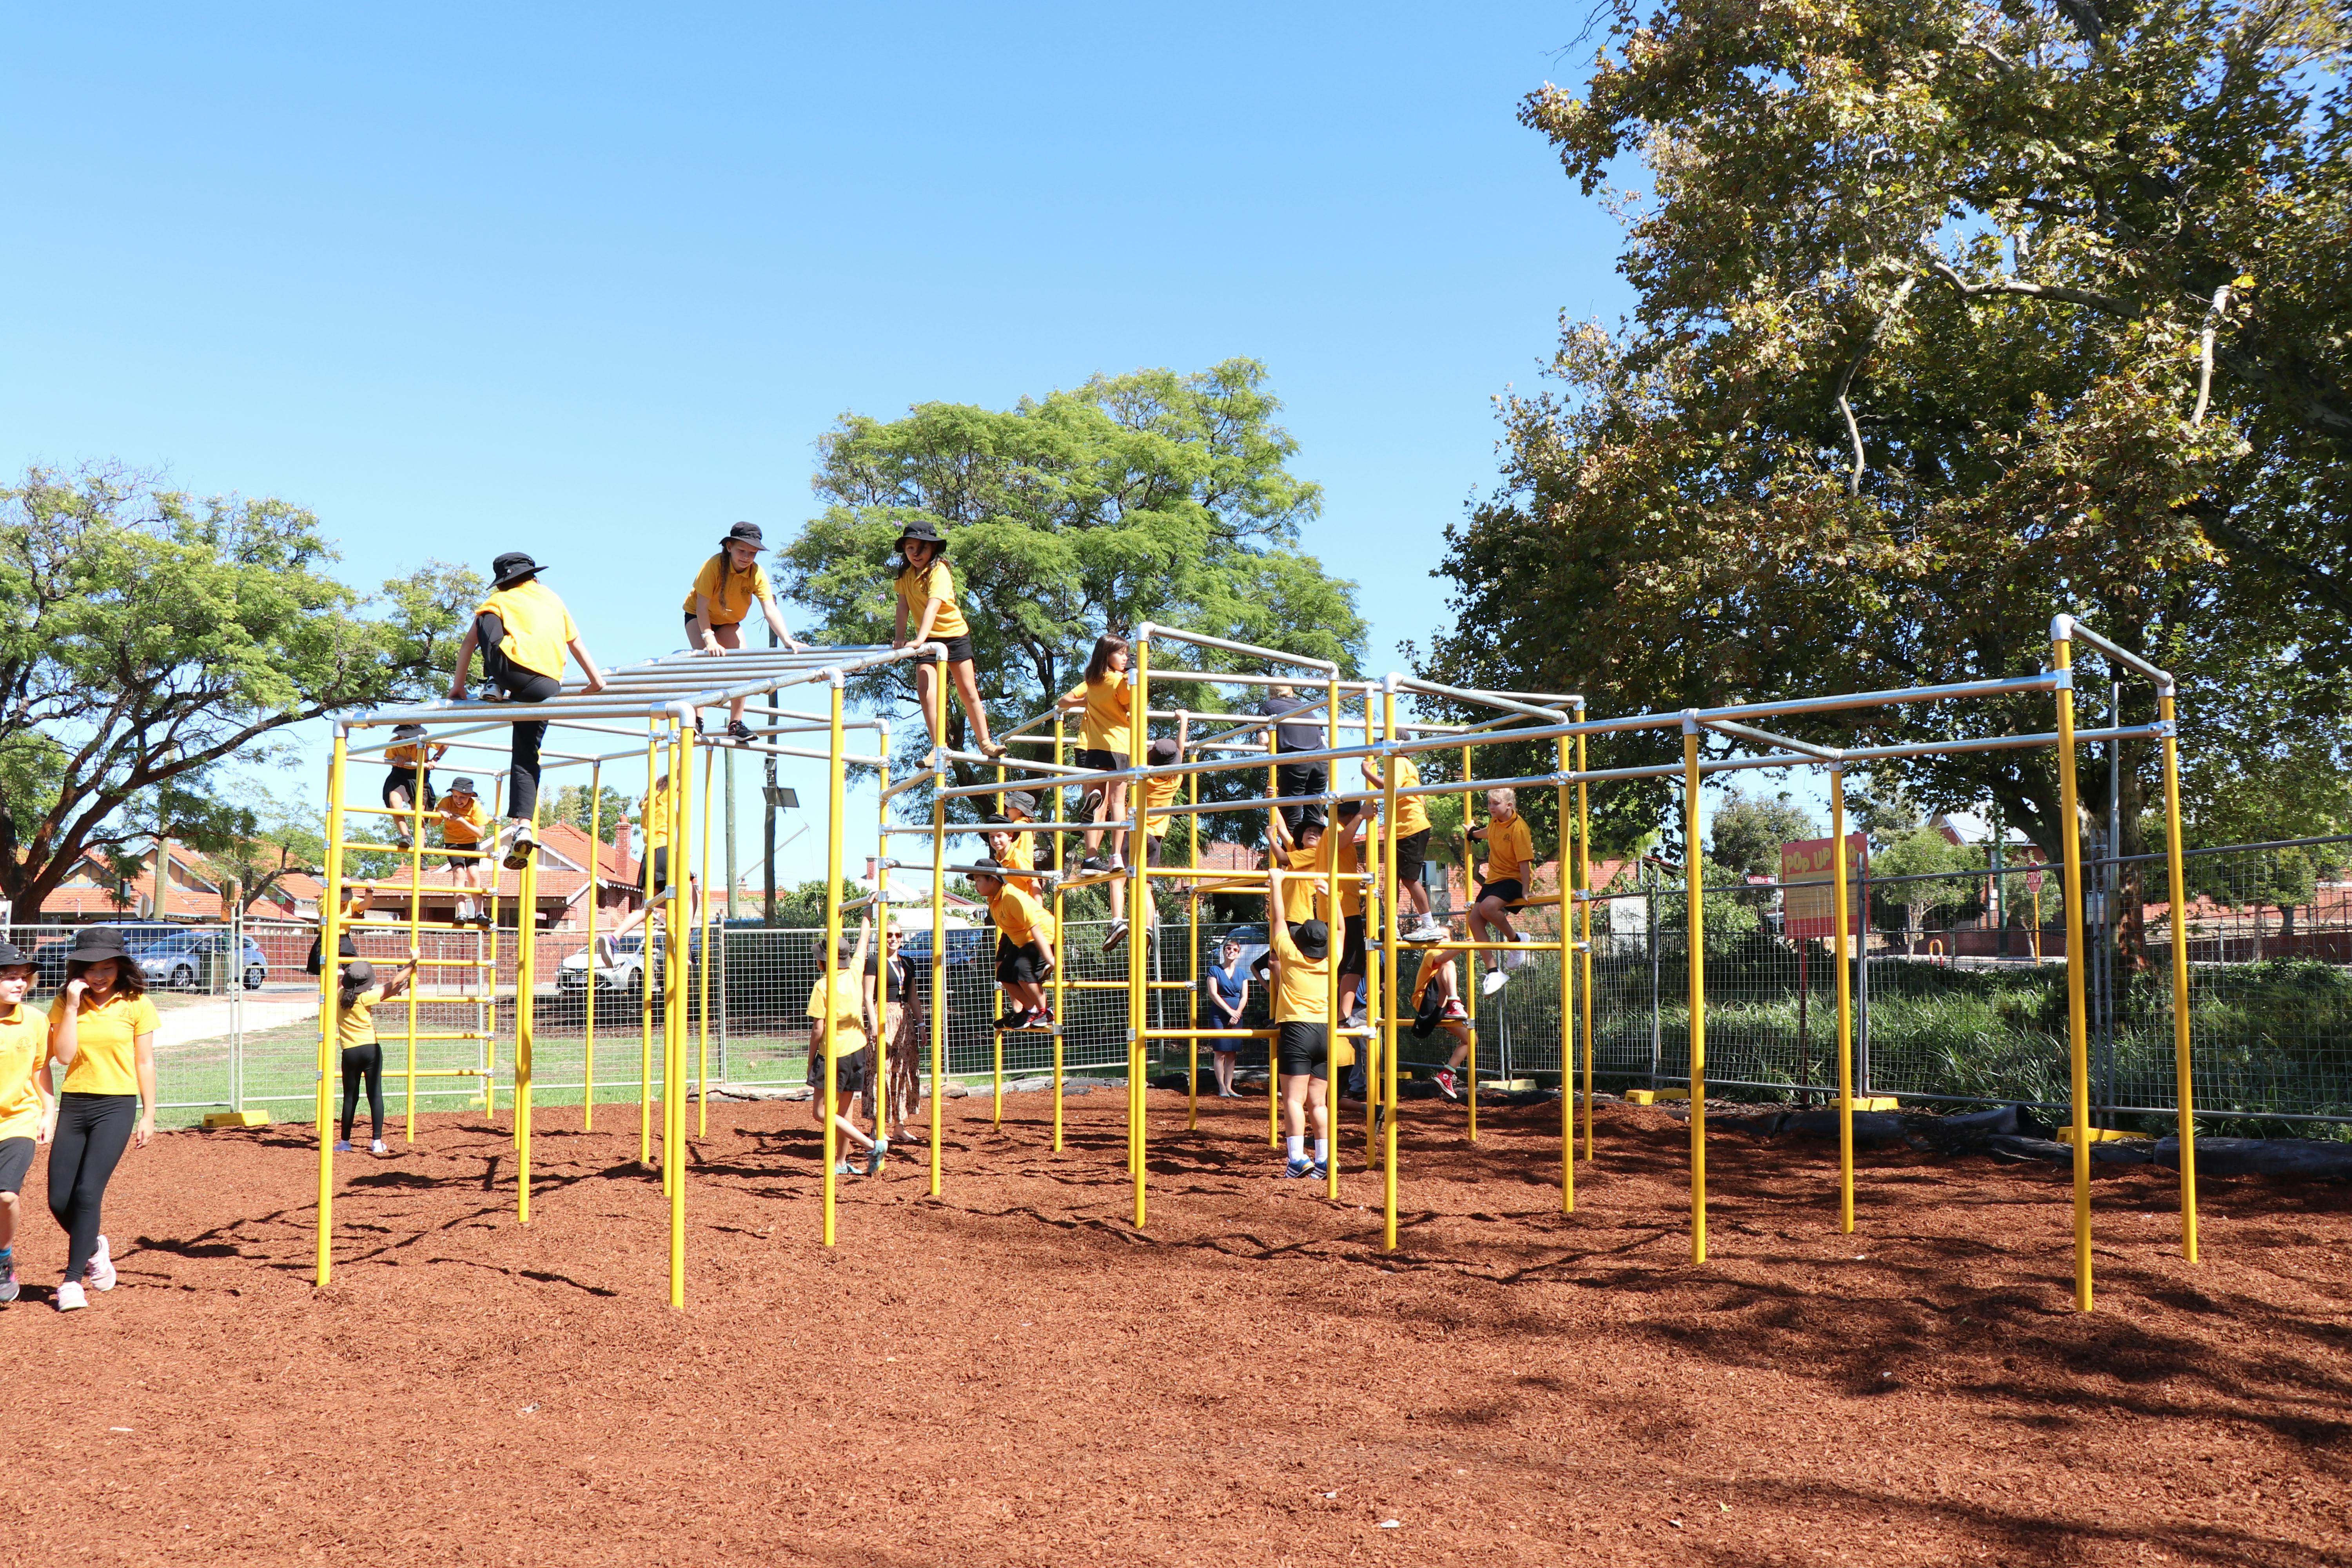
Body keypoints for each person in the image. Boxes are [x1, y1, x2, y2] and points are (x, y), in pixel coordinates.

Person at [446, 551, 610, 869]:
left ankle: (494, 683)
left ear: (503, 583)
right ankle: (524, 825)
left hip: (514, 673)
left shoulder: (498, 601)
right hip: (548, 686)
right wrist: (596, 681)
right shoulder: (552, 598)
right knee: (525, 755)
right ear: (534, 577)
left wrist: (458, 687)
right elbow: (575, 642)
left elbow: (470, 644)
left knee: (485, 618)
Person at [44, 927, 159, 1312]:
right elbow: (62, 1056)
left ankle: (73, 1281)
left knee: (88, 1193)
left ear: (120, 966)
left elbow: (145, 1061)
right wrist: (74, 1007)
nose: (99, 976)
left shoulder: (137, 1002)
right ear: (78, 970)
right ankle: (94, 1246)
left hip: (117, 1106)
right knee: (59, 1198)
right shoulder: (66, 1002)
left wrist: (149, 1114)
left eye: (107, 967)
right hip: (76, 1103)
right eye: (91, 968)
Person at [890, 519, 1005, 759]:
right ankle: (938, 748)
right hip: (928, 639)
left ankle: (986, 743)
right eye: (910, 548)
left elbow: (933, 606)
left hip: (953, 635)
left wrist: (919, 639)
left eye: (921, 548)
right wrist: (899, 639)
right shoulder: (905, 574)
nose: (916, 554)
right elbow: (903, 607)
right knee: (926, 690)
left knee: (968, 690)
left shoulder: (939, 570)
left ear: (932, 549)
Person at [684, 521, 807, 740]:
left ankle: (736, 724)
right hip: (699, 618)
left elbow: (769, 608)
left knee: (742, 666)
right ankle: (696, 720)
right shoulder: (713, 566)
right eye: (742, 551)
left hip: (729, 621)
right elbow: (702, 607)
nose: (747, 557)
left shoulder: (757, 574)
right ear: (729, 547)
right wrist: (709, 639)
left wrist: (787, 639)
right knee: (705, 661)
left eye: (753, 553)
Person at [1266, 848, 1343, 1180]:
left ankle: (1297, 1159)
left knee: (1293, 1101)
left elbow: (1279, 920)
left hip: (1298, 1031)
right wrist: (1331, 897)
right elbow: (1341, 931)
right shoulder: (1332, 960)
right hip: (1327, 1033)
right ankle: (1325, 1159)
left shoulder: (1291, 955)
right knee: (1319, 1103)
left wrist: (1276, 882)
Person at [0, 941, 54, 1307]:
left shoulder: (34, 1019)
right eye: (8, 978)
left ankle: (3, 1260)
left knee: (5, 1195)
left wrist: (50, 1112)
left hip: (19, 1119)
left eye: (22, 977)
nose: (18, 984)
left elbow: (41, 1070)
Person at [807, 922, 884, 1176]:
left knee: (821, 1112)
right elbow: (864, 938)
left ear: (823, 962)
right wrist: (868, 913)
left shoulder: (822, 986)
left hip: (835, 1054)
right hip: (858, 1051)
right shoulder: (855, 971)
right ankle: (840, 1162)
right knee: (843, 1112)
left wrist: (810, 1062)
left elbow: (818, 1030)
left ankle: (872, 1146)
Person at [596, 773, 696, 964]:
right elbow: (680, 768)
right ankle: (685, 945)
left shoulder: (647, 804)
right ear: (665, 786)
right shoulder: (664, 798)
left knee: (647, 907)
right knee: (690, 895)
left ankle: (613, 938)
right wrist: (683, 744)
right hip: (667, 851)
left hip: (649, 856)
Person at [1057, 634, 1131, 875]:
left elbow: (1064, 700)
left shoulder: (1092, 680)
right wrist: (1134, 674)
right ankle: (1116, 855)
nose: (1125, 657)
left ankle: (1091, 856)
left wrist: (1088, 703)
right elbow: (1132, 702)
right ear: (1108, 655)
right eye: (1120, 653)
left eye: (1127, 653)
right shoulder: (1120, 680)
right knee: (1118, 802)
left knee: (1098, 800)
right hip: (1119, 746)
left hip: (1094, 748)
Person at [1102, 735, 1183, 954]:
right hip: (1156, 838)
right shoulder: (1176, 778)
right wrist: (1183, 722)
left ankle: (1117, 921)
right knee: (1146, 887)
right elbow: (1180, 750)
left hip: (1134, 831)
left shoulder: (1142, 775)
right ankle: (1147, 927)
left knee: (1118, 876)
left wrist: (1149, 747)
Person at [335, 955, 419, 1154]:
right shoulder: (366, 997)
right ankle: (376, 1142)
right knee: (375, 1094)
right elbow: (392, 984)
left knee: (350, 1097)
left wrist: (404, 987)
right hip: (370, 1049)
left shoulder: (339, 996)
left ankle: (345, 1142)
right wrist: (412, 963)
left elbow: (388, 990)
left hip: (350, 1052)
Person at [1362, 748, 1446, 942]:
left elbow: (1392, 789)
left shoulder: (1399, 761)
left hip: (1411, 828)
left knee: (1409, 879)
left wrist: (1367, 774)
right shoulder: (1402, 764)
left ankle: (1429, 925)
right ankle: (1393, 925)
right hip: (1401, 829)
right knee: (1393, 879)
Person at [1465, 787, 1539, 997]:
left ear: (1509, 805)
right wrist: (1472, 834)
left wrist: (1526, 890)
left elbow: (1524, 862)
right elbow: (1487, 832)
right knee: (1474, 921)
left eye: (1495, 804)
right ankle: (1493, 971)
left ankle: (1516, 941)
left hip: (1514, 878)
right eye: (1489, 803)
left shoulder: (1519, 828)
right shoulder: (1494, 822)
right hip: (1494, 879)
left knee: (1489, 908)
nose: (1491, 808)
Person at [971, 858, 1055, 1030]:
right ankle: (1030, 1010)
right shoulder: (994, 902)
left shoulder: (1012, 897)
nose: (976, 885)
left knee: (1021, 968)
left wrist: (1051, 959)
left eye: (979, 880)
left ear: (993, 880)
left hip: (1044, 935)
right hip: (1025, 940)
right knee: (1003, 973)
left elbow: (1036, 927)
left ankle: (1045, 1012)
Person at [1254, 684, 1328, 839]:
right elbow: (1324, 740)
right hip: (1321, 761)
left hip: (1295, 762)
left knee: (1293, 818)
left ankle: (1295, 857)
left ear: (1272, 695)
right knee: (1314, 816)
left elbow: (1264, 740)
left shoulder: (1268, 707)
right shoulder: (1306, 708)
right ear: (1292, 692)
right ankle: (1313, 857)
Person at [1332, 800, 1381, 1029]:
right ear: (1349, 815)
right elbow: (1342, 843)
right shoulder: (1337, 830)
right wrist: (1361, 816)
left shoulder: (1337, 832)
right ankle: (1343, 1015)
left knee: (1347, 962)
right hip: (1343, 906)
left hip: (1345, 903)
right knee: (1354, 963)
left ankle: (1341, 1014)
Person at [873, 922, 923, 1143]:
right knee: (880, 1071)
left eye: (898, 935)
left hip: (905, 1021)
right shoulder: (874, 962)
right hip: (884, 1015)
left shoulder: (908, 963)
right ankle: (877, 1126)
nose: (893, 938)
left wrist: (921, 1026)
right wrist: (875, 1025)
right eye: (889, 935)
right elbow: (867, 996)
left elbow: (913, 996)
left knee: (903, 1071)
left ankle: (899, 1126)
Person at [1412, 947, 1476, 1100]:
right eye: (1442, 938)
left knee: (1471, 1039)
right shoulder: (1433, 952)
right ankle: (1455, 1002)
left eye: (1448, 938)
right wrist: (1463, 946)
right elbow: (1441, 959)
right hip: (1426, 1002)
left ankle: (1447, 1075)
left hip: (1441, 1007)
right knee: (1448, 963)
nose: (1445, 942)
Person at [436, 780, 495, 928]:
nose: (458, 800)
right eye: (456, 796)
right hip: (452, 841)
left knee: (473, 873)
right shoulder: (447, 802)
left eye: (462, 797)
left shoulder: (475, 807)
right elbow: (433, 823)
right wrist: (440, 813)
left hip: (471, 842)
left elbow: (480, 833)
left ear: (470, 796)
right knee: (459, 872)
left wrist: (462, 821)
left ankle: (480, 913)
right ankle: (462, 913)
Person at [383, 723, 446, 850]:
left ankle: (420, 852)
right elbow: (389, 756)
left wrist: (435, 759)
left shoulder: (425, 739)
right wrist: (397, 757)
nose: (407, 741)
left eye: (410, 738)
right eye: (404, 738)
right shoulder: (395, 742)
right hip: (399, 775)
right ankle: (405, 836)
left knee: (417, 814)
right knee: (394, 801)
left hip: (419, 776)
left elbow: (445, 743)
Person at [1201, 937, 1249, 1098]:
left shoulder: (1243, 974)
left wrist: (1238, 1013)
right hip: (1220, 1014)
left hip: (1237, 1015)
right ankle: (1221, 1087)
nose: (1231, 952)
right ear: (1224, 951)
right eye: (1229, 949)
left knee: (1232, 1053)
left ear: (1238, 954)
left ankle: (1230, 1087)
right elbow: (1213, 994)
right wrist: (1230, 1011)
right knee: (1220, 1052)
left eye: (1235, 950)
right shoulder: (1214, 970)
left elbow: (1244, 997)